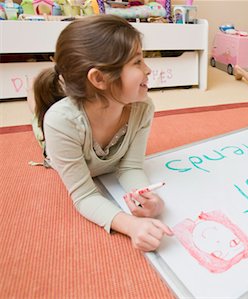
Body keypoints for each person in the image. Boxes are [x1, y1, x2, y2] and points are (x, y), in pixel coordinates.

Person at [28, 15, 173, 252]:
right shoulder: (60, 122)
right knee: (38, 120)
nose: (148, 69)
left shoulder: (143, 108)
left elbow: (131, 167)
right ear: (99, 78)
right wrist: (131, 226)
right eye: (137, 62)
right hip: (57, 131)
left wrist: (145, 197)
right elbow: (84, 195)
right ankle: (33, 96)